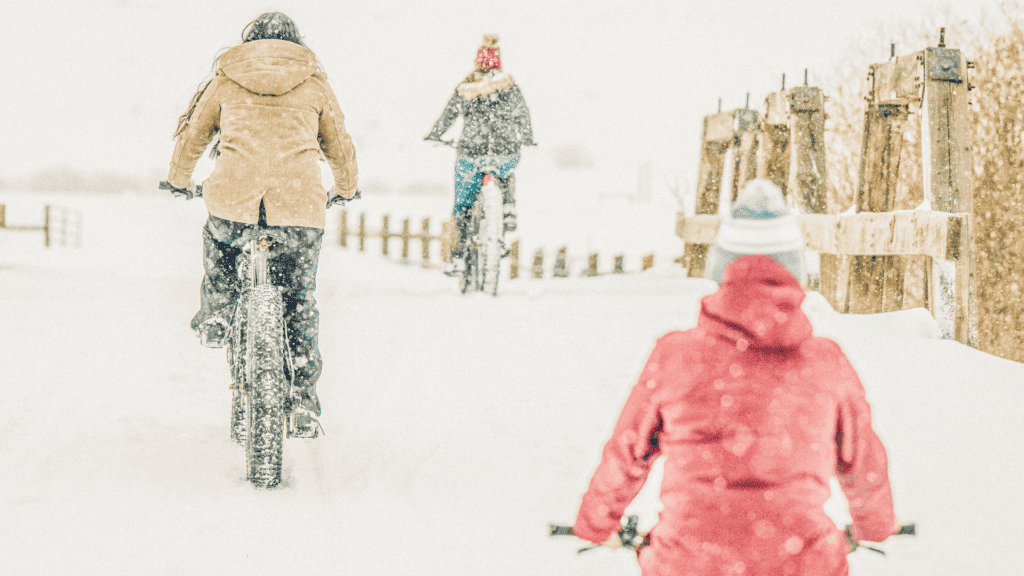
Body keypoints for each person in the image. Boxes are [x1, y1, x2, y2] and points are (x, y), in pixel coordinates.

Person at [572, 180, 898, 575]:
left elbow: (628, 453)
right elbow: (862, 462)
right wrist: (874, 527)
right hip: (801, 565)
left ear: (721, 267)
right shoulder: (826, 363)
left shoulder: (675, 356)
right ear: (795, 271)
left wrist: (596, 524)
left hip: (688, 563)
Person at [162, 12, 358, 437]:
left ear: (250, 42)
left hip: (234, 199)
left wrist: (179, 180)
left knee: (220, 240)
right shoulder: (315, 83)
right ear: (296, 43)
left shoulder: (226, 78)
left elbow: (194, 135)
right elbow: (339, 144)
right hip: (299, 208)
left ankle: (216, 313)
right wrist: (345, 188)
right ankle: (303, 404)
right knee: (300, 300)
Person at [424, 34, 536, 275]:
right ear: (499, 62)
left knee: (463, 203)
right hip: (504, 151)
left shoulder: (466, 87)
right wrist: (526, 137)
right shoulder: (509, 86)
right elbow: (523, 114)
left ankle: (458, 255)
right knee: (506, 171)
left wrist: (435, 134)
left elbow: (449, 114)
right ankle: (507, 206)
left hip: (471, 153)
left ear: (478, 61)